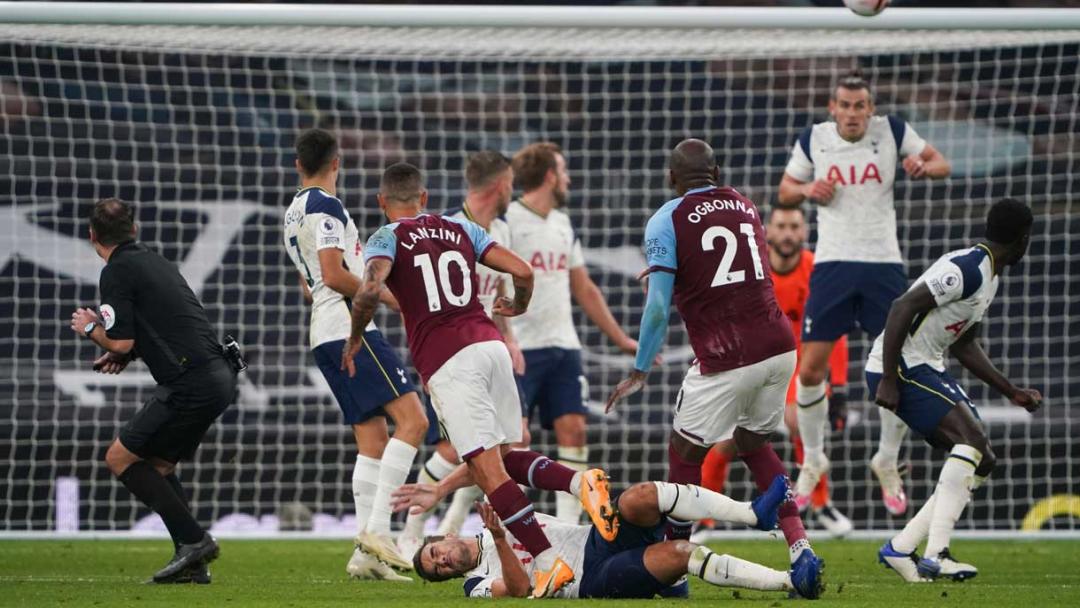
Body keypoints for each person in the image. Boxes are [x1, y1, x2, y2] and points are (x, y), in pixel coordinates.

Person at [342, 162, 616, 598]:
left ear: (381, 202)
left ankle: (548, 563)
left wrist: (356, 338)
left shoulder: (385, 237)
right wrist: (519, 304)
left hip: (450, 362)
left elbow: (370, 289)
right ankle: (578, 482)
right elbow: (523, 271)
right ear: (425, 198)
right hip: (493, 349)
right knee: (505, 458)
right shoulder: (459, 229)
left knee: (489, 473)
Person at [607, 138, 824, 598]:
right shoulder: (745, 206)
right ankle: (801, 547)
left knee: (684, 456)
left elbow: (659, 309)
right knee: (754, 444)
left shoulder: (666, 218)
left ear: (671, 178)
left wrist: (640, 369)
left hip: (726, 354)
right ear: (717, 172)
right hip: (780, 346)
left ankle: (675, 568)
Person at [777, 72, 951, 515]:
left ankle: (887, 459)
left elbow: (941, 164)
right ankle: (813, 458)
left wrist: (922, 167)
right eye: (845, 105)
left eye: (860, 105)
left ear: (870, 108)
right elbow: (785, 191)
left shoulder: (891, 132)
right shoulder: (813, 138)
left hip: (882, 266)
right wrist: (806, 189)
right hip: (832, 265)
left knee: (897, 363)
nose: (852, 113)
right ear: (832, 107)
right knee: (811, 368)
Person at [70, 198, 240, 583]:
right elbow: (161, 328)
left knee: (119, 458)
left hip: (190, 382)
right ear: (135, 230)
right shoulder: (157, 261)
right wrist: (125, 352)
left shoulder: (116, 272)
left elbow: (121, 342)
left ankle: (195, 542)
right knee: (159, 467)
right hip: (219, 375)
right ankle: (192, 564)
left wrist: (89, 329)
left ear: (92, 236)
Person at [283, 128, 427, 580]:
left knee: (374, 440)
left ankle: (364, 556)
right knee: (416, 421)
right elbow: (331, 274)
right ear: (337, 162)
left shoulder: (292, 212)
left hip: (322, 330)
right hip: (348, 328)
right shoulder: (326, 206)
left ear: (297, 165)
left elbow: (310, 285)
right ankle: (380, 531)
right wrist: (388, 298)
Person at [870, 198, 1040, 582]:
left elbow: (964, 344)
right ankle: (937, 553)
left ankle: (901, 548)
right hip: (903, 365)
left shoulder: (990, 275)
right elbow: (901, 307)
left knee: (984, 459)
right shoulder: (967, 268)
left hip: (927, 366)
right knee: (973, 441)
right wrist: (888, 377)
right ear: (1023, 239)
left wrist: (1010, 390)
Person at [400, 151, 532, 557]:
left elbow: (497, 296)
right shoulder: (452, 230)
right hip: (452, 353)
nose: (513, 190)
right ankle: (411, 529)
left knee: (512, 443)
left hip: (488, 342)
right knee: (457, 450)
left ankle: (456, 525)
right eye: (510, 182)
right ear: (499, 185)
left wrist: (509, 338)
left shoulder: (500, 233)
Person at [506, 142, 645, 523]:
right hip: (520, 347)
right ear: (550, 175)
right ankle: (486, 524)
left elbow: (584, 288)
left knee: (574, 432)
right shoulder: (509, 221)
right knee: (512, 442)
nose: (568, 178)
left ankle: (568, 527)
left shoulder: (563, 223)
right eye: (563, 170)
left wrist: (620, 338)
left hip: (564, 347)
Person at [406, 475, 824, 600]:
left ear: (443, 535)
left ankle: (753, 513)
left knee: (641, 496)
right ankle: (791, 582)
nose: (443, 561)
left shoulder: (500, 512)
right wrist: (499, 540)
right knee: (681, 552)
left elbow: (495, 461)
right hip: (595, 578)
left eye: (435, 553)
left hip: (598, 538)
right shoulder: (473, 583)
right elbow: (516, 591)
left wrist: (441, 487)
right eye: (439, 568)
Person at [699, 206, 853, 536]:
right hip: (753, 364)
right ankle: (704, 516)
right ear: (767, 229)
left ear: (804, 230)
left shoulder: (818, 270)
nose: (787, 233)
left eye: (794, 226)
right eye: (780, 225)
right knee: (724, 440)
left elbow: (834, 332)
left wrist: (838, 387)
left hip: (799, 368)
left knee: (800, 420)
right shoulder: (750, 267)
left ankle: (820, 503)